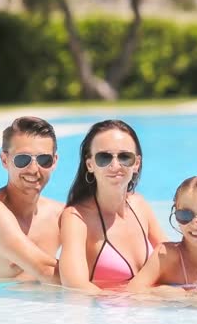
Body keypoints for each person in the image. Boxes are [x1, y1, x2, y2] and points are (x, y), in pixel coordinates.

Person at [59, 119, 168, 292]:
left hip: (147, 314)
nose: (115, 165)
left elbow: (174, 259)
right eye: (104, 157)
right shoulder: (77, 218)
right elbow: (76, 287)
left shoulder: (140, 205)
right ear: (90, 164)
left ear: (136, 164)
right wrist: (146, 296)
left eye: (125, 157)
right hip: (104, 315)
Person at [0, 116, 63, 284]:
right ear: (4, 160)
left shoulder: (60, 216)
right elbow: (45, 270)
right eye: (23, 159)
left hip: (39, 307)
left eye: (44, 160)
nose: (34, 169)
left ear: (54, 162)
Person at [127, 175, 197, 294]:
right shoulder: (165, 255)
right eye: (185, 215)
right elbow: (132, 291)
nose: (195, 224)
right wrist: (164, 292)